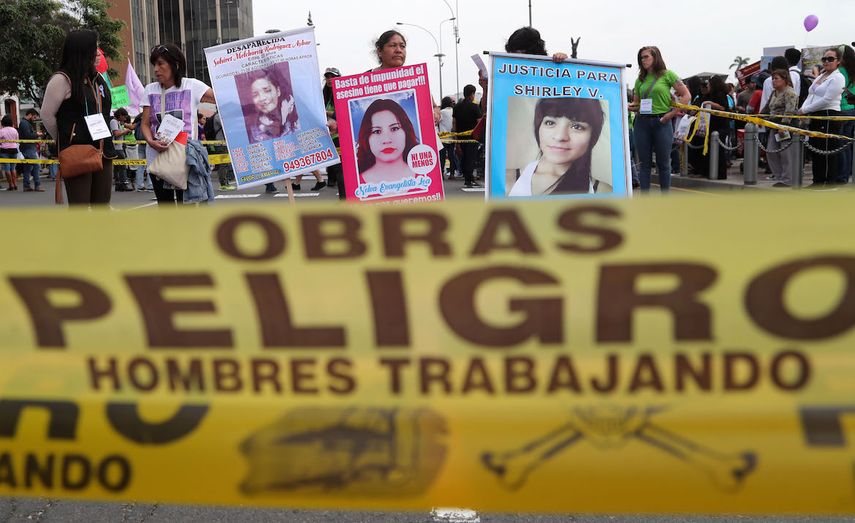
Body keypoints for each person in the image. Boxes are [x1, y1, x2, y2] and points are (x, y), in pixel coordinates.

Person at [41, 29, 116, 206]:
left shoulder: (98, 79)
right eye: (94, 48)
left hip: (103, 149)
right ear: (82, 51)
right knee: (81, 210)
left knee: (101, 207)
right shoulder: (62, 80)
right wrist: (66, 139)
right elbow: (46, 115)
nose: (98, 53)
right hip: (78, 152)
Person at [140, 43, 215, 204]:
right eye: (154, 64)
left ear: (176, 64)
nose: (156, 69)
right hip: (157, 158)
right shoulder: (150, 89)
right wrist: (151, 142)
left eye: (161, 64)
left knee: (186, 206)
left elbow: (220, 97)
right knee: (165, 206)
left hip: (185, 157)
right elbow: (145, 124)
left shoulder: (192, 85)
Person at [508, 97, 604, 196]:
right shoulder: (506, 181)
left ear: (593, 136)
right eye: (550, 123)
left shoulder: (604, 191)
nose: (560, 137)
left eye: (577, 127)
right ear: (538, 127)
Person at [628, 46, 690, 192]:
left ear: (655, 57)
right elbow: (637, 104)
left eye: (646, 57)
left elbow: (686, 95)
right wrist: (626, 106)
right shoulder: (640, 80)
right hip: (642, 123)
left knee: (663, 163)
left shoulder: (668, 75)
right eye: (641, 58)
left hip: (662, 121)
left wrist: (671, 114)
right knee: (644, 164)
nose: (643, 60)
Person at [799, 46, 845, 188]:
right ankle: (817, 180)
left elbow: (826, 100)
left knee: (827, 150)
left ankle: (828, 181)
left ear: (838, 61)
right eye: (824, 59)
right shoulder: (821, 75)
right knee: (816, 149)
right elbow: (811, 94)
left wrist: (805, 109)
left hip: (829, 114)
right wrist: (803, 110)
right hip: (816, 115)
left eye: (830, 59)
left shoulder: (838, 77)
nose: (826, 62)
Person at [356, 98, 419, 184]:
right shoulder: (356, 183)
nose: (387, 140)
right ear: (366, 138)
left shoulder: (425, 174)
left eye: (394, 128)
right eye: (377, 131)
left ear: (406, 131)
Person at [764, 69, 799, 187]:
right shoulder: (774, 93)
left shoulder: (789, 92)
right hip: (773, 125)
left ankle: (787, 179)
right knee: (771, 151)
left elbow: (790, 110)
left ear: (785, 80)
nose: (773, 81)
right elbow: (767, 108)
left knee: (785, 153)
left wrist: (784, 125)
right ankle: (779, 176)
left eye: (776, 78)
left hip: (785, 126)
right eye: (772, 79)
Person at [244, 68, 298, 144]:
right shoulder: (252, 132)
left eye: (267, 91)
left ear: (278, 91)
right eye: (255, 95)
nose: (262, 98)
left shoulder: (295, 119)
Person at [453, 85, 483, 188]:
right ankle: (469, 179)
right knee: (471, 158)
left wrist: (456, 138)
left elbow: (454, 123)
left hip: (460, 136)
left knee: (464, 157)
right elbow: (479, 122)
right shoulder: (474, 107)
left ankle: (468, 178)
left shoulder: (457, 107)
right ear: (471, 94)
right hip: (472, 137)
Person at [836, 45, 855, 184]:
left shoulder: (841, 71)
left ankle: (842, 175)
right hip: (852, 108)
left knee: (841, 145)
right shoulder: (853, 70)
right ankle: (847, 173)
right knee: (847, 145)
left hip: (842, 108)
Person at [18, 109, 43, 191]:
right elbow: (28, 135)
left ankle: (26, 186)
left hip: (27, 147)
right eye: (34, 117)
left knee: (27, 168)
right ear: (30, 115)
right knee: (36, 166)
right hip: (28, 148)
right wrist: (37, 134)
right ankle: (37, 185)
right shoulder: (24, 123)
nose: (34, 119)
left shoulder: (24, 123)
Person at [109, 107, 133, 191]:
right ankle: (123, 184)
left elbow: (130, 126)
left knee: (117, 167)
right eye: (124, 116)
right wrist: (125, 131)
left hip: (118, 147)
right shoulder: (113, 122)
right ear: (120, 115)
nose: (125, 119)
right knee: (122, 166)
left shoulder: (118, 122)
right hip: (117, 147)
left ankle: (118, 185)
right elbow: (116, 133)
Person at [438, 96, 459, 179]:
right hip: (452, 137)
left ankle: (441, 174)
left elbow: (437, 121)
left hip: (443, 138)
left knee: (442, 157)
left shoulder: (441, 112)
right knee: (451, 156)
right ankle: (452, 174)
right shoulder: (454, 111)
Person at [0, 116, 18, 191]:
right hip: (14, 150)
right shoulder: (14, 130)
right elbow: (17, 140)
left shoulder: (2, 131)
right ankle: (15, 184)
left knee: (7, 168)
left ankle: (11, 185)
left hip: (4, 151)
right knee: (13, 168)